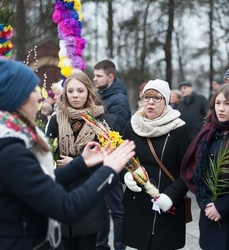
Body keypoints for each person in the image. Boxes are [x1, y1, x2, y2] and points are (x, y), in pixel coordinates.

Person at [0, 59, 136, 250]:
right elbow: (67, 208)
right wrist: (109, 170)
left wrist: (82, 163)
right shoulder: (12, 151)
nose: (39, 98)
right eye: (33, 91)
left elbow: (41, 181)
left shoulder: (5, 137)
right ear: (16, 98)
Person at [180, 83, 229, 250]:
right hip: (210, 216)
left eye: (227, 103)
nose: (221, 109)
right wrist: (205, 203)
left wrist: (223, 206)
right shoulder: (207, 132)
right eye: (218, 103)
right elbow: (197, 172)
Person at [122, 79, 192, 250]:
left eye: (157, 98)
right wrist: (126, 176)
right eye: (147, 97)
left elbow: (189, 170)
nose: (150, 102)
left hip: (166, 205)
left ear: (166, 101)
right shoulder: (132, 126)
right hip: (138, 203)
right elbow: (121, 159)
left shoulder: (179, 129)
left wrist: (171, 195)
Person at [46, 71, 110, 250]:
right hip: (61, 195)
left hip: (89, 194)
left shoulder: (101, 120)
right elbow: (49, 155)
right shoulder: (56, 119)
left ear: (89, 92)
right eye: (71, 91)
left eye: (80, 91)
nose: (75, 95)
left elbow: (108, 159)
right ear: (65, 93)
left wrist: (76, 163)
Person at [93, 59, 130, 250]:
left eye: (98, 76)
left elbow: (112, 129)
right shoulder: (102, 96)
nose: (95, 79)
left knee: (116, 210)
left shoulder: (119, 100)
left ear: (110, 77)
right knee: (100, 209)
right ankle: (101, 246)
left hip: (114, 160)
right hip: (100, 160)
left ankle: (119, 246)